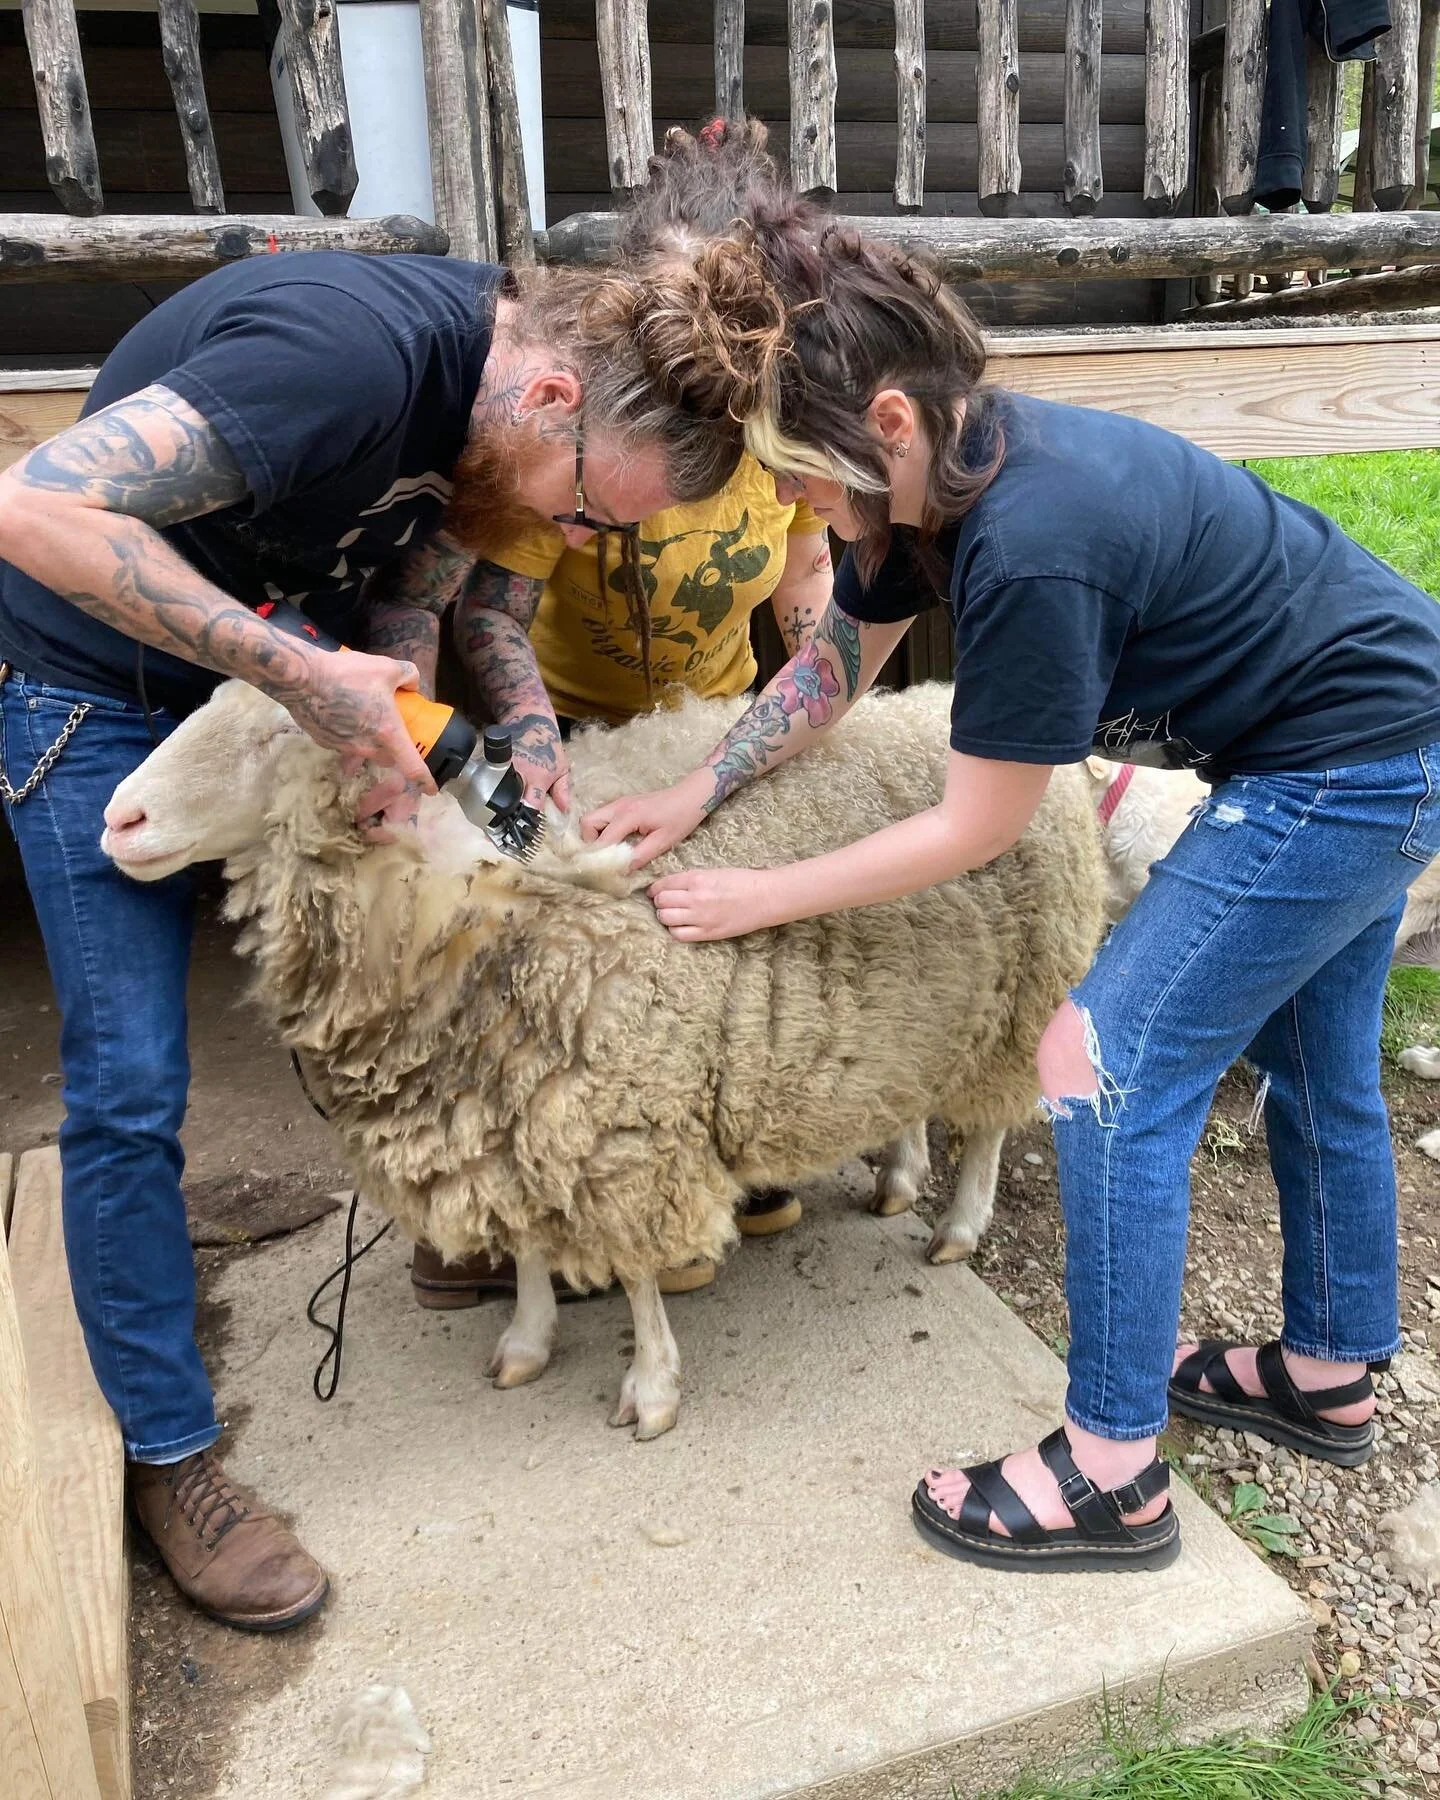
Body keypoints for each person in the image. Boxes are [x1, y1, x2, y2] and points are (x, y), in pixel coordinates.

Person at [584, 220, 1440, 1572]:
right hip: (1357, 731)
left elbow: (972, 827)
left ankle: (1107, 1473)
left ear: (884, 420)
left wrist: (758, 897)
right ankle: (1325, 1377)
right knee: (1317, 1061)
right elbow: (829, 671)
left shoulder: (1036, 540)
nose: (797, 506)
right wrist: (699, 791)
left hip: (1354, 766)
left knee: (1099, 1061)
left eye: (799, 474)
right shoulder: (922, 480)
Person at [0, 241, 784, 1628]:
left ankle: (474, 1211)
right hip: (96, 680)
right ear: (552, 398)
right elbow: (32, 506)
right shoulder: (340, 357)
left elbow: (447, 593)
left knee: (410, 948)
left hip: (303, 668)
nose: (592, 545)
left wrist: (522, 735)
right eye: (598, 517)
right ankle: (171, 1460)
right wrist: (311, 678)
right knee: (130, 1077)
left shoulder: (510, 410)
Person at [408, 125, 834, 1312]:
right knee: (518, 948)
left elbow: (806, 578)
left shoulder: (782, 439)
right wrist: (535, 748)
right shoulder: (593, 418)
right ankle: (487, 1205)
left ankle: (712, 1158)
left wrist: (809, 706)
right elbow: (490, 609)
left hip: (703, 726)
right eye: (677, 289)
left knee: (712, 944)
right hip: (561, 729)